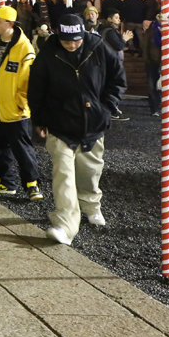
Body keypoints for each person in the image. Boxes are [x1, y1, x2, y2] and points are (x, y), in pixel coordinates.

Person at [28, 13, 126, 245]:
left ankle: (91, 205)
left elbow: (118, 78)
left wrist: (107, 107)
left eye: (77, 40)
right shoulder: (47, 55)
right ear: (57, 36)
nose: (72, 45)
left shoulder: (99, 48)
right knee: (63, 174)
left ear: (84, 34)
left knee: (90, 170)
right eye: (67, 40)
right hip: (59, 125)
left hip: (93, 124)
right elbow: (36, 89)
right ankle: (65, 224)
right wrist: (39, 120)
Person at [0, 5, 42, 200]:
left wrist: (22, 102)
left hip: (16, 110)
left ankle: (32, 184)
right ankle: (5, 182)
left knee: (22, 148)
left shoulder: (24, 47)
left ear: (10, 23)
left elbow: (27, 80)